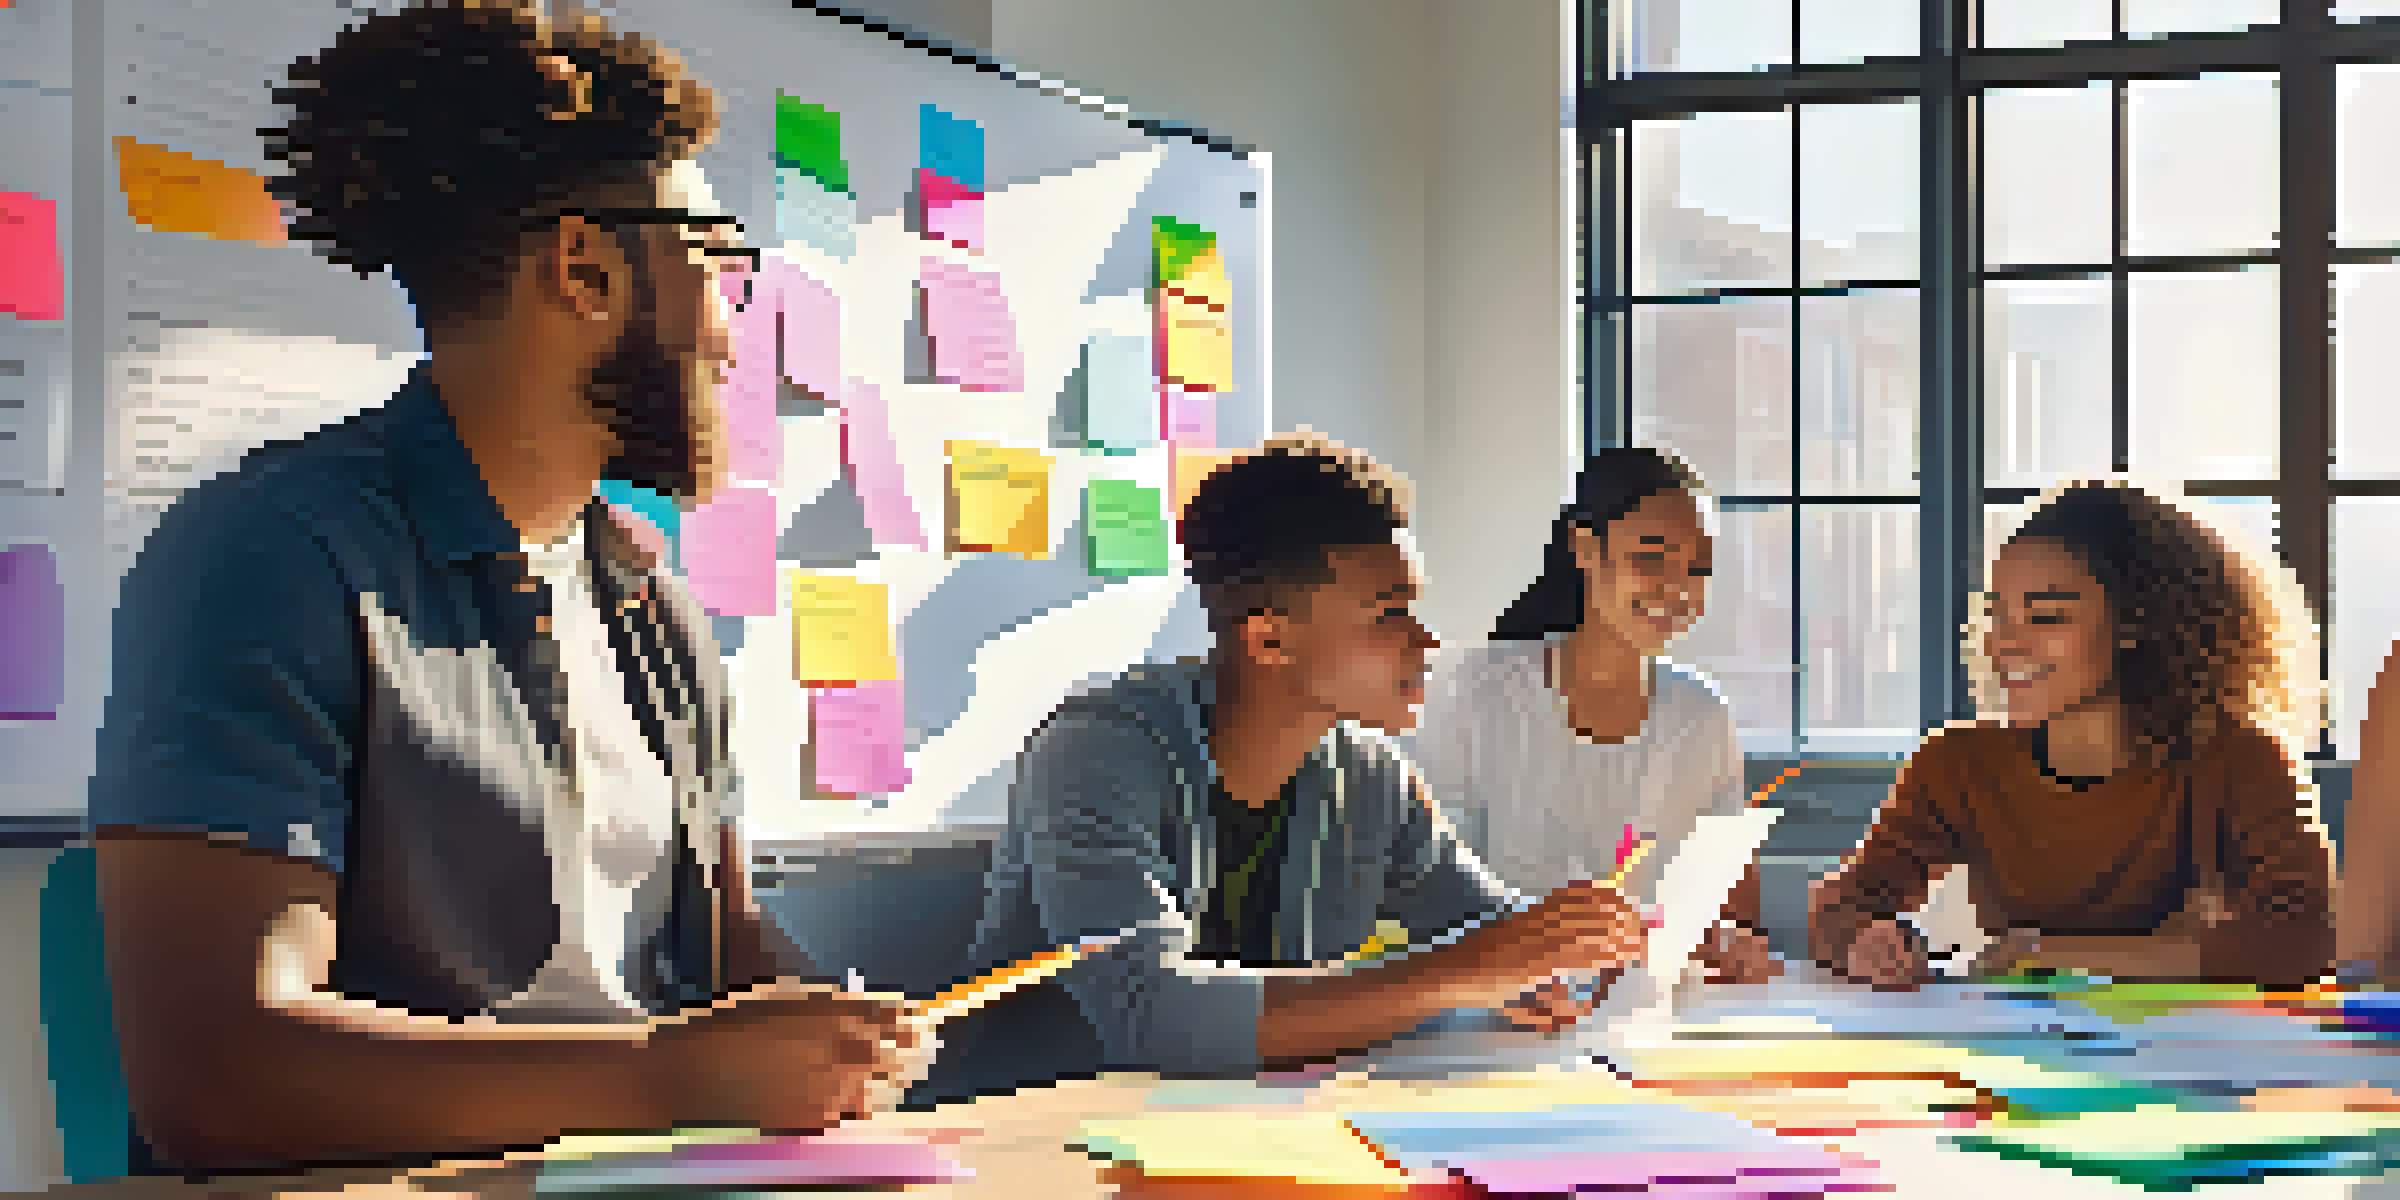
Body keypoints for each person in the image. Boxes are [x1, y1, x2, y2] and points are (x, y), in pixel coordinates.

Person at [87, 2, 916, 1173]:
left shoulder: (650, 602)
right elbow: (219, 1074)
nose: (732, 335)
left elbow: (728, 953)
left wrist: (832, 1031)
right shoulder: (272, 554)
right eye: (713, 265)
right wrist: (669, 1076)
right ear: (584, 268)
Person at [957, 433, 1648, 1085]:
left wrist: (1615, 947)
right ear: (1269, 643)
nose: (1427, 641)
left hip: (1249, 1133)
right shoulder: (1095, 752)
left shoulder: (1371, 777)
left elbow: (1497, 934)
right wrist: (1474, 969)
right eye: (1389, 614)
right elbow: (1150, 1016)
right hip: (1045, 1140)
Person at [1808, 480, 2333, 989]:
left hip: (2193, 1056)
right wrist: (1869, 940)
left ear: (2135, 623)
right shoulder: (1958, 763)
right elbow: (1841, 907)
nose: (2004, 644)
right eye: (1995, 615)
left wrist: (2044, 951)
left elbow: (2309, 936)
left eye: (2045, 617)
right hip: (2019, 1054)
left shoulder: (2238, 758)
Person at [1413, 448, 1777, 989]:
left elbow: (1733, 916)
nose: (1677, 588)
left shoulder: (1702, 718)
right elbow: (1423, 891)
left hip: (1644, 1019)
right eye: (1650, 558)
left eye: (1697, 567)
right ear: (1586, 549)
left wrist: (1731, 944)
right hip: (1498, 1014)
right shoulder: (1476, 689)